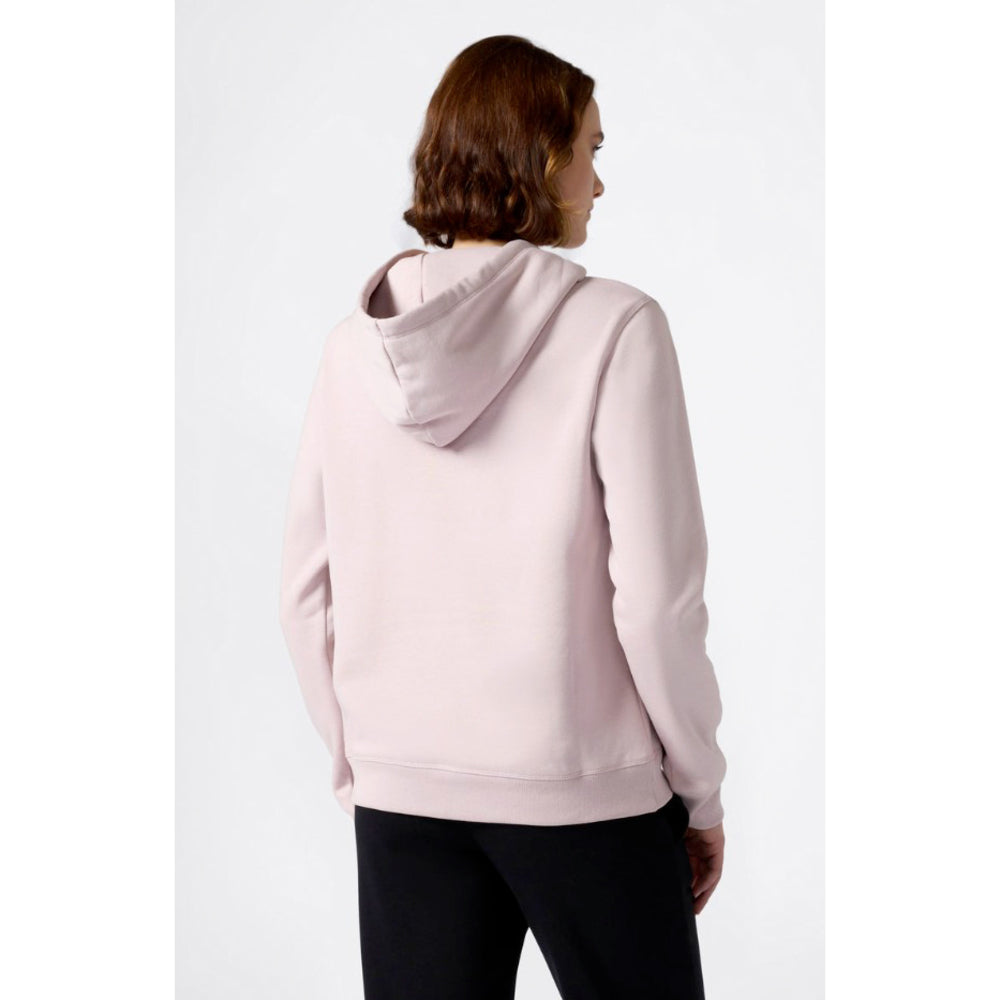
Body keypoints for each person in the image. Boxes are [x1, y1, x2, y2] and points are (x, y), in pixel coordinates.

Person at [278, 33, 727, 1000]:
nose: (599, 183)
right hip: (587, 797)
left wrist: (365, 764)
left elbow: (304, 596)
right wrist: (699, 786)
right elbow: (656, 603)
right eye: (590, 151)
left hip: (403, 798)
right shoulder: (617, 327)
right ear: (539, 156)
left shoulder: (351, 350)